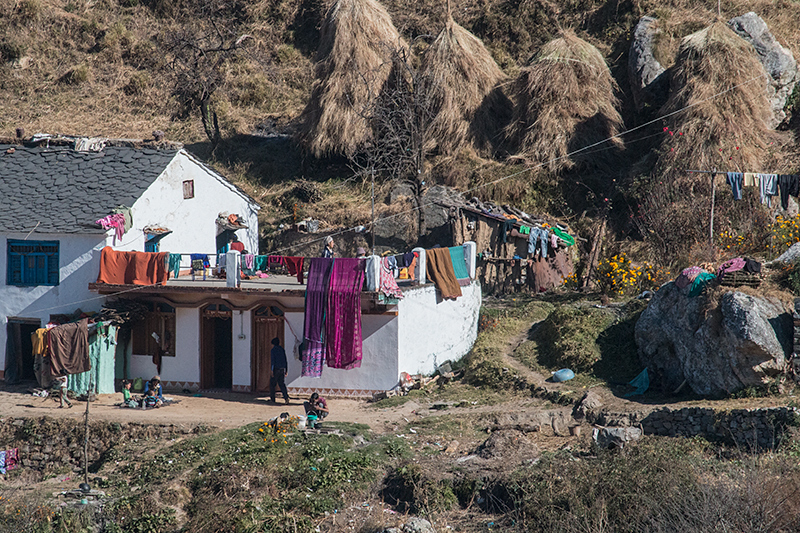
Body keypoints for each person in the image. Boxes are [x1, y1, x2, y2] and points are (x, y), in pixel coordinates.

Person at [270, 337, 290, 405]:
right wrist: (286, 370)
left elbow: (273, 361)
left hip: (276, 369)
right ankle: (286, 397)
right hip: (282, 369)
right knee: (282, 384)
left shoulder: (273, 350)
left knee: (273, 384)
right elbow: (285, 360)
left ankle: (272, 399)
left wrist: (272, 370)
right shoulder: (282, 350)